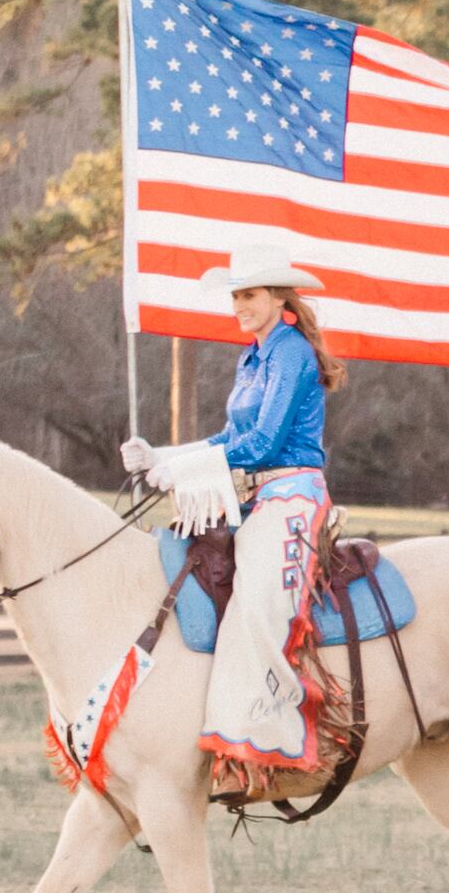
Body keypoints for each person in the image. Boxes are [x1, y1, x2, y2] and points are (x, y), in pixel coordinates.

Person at [122, 241, 341, 784]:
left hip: (292, 494)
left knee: (260, 600)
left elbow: (266, 442)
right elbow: (232, 436)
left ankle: (273, 738)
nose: (238, 305)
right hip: (255, 496)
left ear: (276, 297)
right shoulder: (252, 355)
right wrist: (164, 456)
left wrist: (189, 470)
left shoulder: (290, 352)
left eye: (248, 295)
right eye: (235, 296)